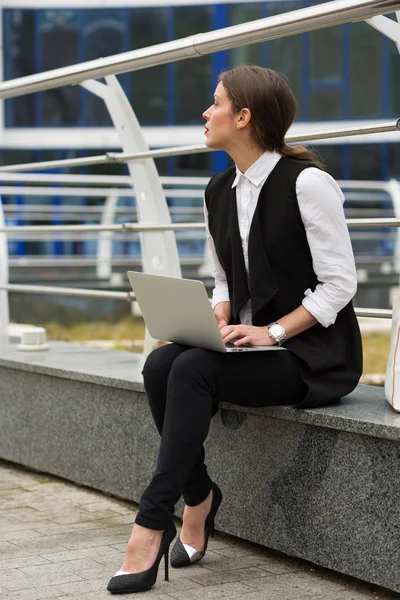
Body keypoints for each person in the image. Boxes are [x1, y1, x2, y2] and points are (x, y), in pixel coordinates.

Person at [107, 65, 362, 595]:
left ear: (243, 117)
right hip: (249, 346)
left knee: (194, 368)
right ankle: (199, 497)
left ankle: (152, 521)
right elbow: (224, 277)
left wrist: (274, 332)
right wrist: (219, 312)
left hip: (308, 356)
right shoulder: (219, 189)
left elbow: (340, 284)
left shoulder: (308, 184)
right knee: (161, 363)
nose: (205, 112)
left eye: (215, 102)